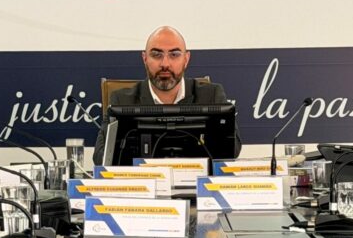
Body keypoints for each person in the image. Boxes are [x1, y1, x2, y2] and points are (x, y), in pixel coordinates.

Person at [92, 25, 241, 164]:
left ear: (186, 59)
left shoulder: (211, 95)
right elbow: (101, 157)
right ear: (145, 59)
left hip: (197, 188)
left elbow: (232, 150)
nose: (165, 64)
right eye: (156, 55)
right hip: (143, 187)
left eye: (174, 55)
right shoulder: (122, 100)